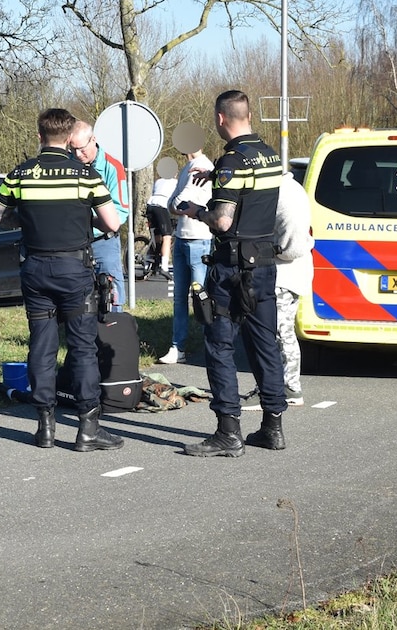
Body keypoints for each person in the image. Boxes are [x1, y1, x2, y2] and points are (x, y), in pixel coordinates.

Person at [0, 108, 125, 452]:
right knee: (82, 348)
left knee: (42, 346)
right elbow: (112, 224)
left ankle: (45, 427)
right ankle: (87, 430)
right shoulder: (85, 174)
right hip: (74, 272)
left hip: (35, 270)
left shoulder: (19, 174)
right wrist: (82, 218)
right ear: (69, 139)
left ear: (39, 136)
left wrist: (31, 223)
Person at [172, 90, 286, 456]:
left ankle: (228, 432)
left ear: (221, 118)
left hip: (231, 268)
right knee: (265, 344)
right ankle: (273, 427)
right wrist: (217, 174)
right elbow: (250, 194)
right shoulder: (269, 155)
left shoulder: (231, 162)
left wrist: (194, 211)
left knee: (219, 344)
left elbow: (222, 220)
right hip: (264, 265)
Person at [157, 147, 215, 365]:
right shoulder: (187, 169)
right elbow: (172, 203)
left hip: (200, 239)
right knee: (179, 298)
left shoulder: (205, 166)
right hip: (181, 238)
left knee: (201, 298)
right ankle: (177, 346)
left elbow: (179, 200)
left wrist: (177, 205)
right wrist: (176, 205)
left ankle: (211, 345)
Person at [69, 121, 130, 311]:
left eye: (81, 149)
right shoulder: (68, 167)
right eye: (73, 150)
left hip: (104, 242)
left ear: (93, 139)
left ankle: (113, 335)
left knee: (111, 295)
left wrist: (90, 221)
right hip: (75, 242)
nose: (78, 154)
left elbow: (120, 213)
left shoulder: (113, 167)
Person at [272, 172, 314, 406]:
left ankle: (289, 387)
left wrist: (267, 251)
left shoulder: (283, 193)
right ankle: (284, 385)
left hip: (285, 274)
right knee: (282, 331)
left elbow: (291, 246)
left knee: (280, 332)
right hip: (292, 272)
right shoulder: (292, 189)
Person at [142, 170, 175, 280]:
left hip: (150, 205)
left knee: (156, 238)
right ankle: (164, 268)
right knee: (167, 237)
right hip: (161, 206)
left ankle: (149, 263)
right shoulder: (175, 182)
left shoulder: (158, 181)